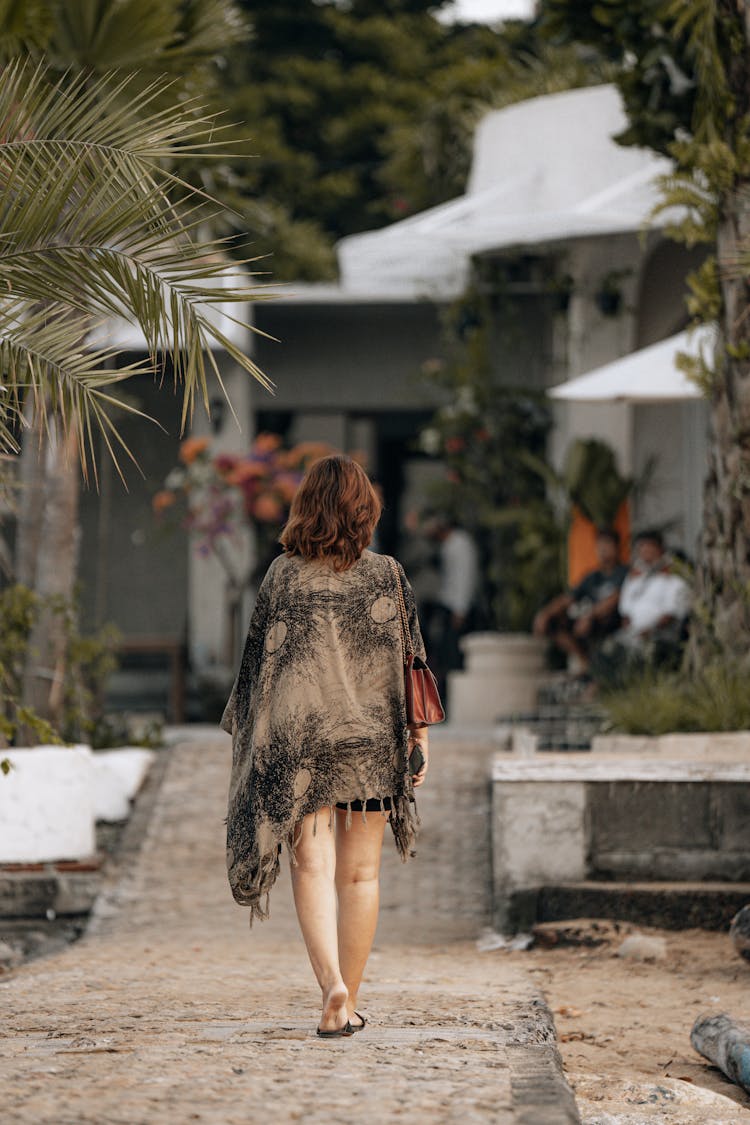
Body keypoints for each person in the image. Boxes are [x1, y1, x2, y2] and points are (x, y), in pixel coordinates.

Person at [221, 454, 429, 1038]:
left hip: (298, 743)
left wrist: (254, 751)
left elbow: (255, 670)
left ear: (304, 508)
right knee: (361, 875)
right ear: (366, 510)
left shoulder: (282, 576)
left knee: (312, 866)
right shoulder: (386, 574)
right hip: (367, 741)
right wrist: (418, 739)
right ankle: (347, 1002)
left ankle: (330, 984)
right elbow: (411, 661)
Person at [533, 528, 628, 671]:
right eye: (599, 546)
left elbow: (615, 599)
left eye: (607, 545)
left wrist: (590, 616)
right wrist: (545, 614)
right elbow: (568, 598)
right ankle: (585, 662)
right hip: (586, 620)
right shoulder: (592, 576)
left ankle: (597, 667)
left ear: (616, 547)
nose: (603, 550)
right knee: (553, 624)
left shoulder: (623, 572)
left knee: (596, 623)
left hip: (611, 620)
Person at [424, 513, 479, 696]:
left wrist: (460, 609)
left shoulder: (460, 544)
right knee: (444, 653)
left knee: (453, 653)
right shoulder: (448, 545)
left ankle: (455, 695)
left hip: (457, 607)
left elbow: (464, 577)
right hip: (448, 604)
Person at [616, 529, 691, 654]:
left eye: (649, 546)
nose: (645, 552)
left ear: (660, 548)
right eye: (641, 548)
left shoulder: (673, 573)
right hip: (634, 635)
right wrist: (631, 630)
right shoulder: (635, 575)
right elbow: (625, 610)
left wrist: (649, 631)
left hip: (662, 635)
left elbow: (671, 615)